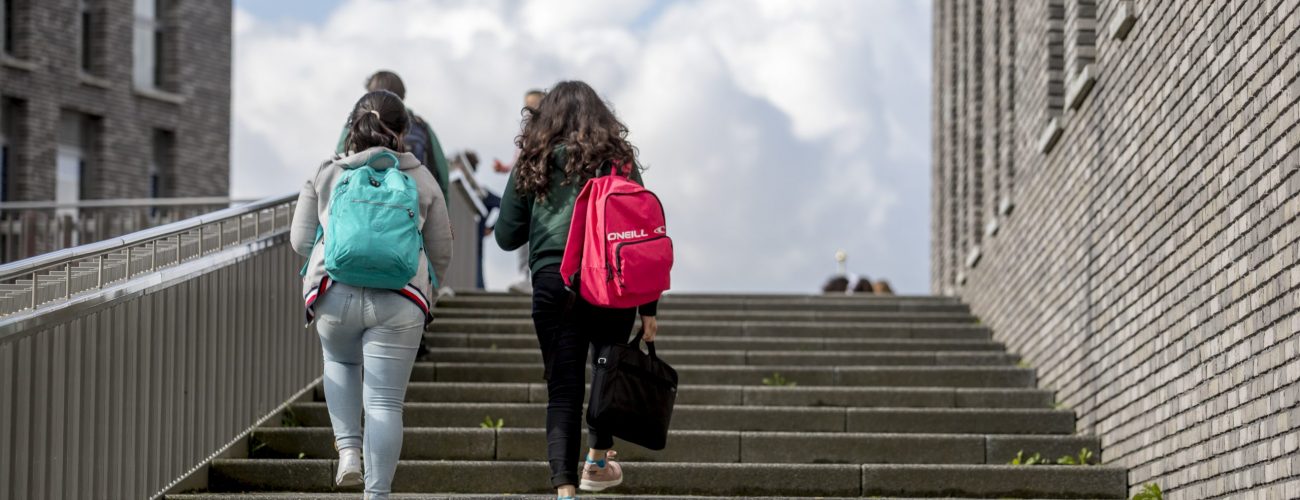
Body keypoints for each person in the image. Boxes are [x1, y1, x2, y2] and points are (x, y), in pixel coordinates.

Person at [494, 81, 659, 499]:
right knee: (607, 372)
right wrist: (649, 308)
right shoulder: (618, 160)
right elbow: (641, 234)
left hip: (554, 280)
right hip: (609, 280)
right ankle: (598, 461)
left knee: (563, 388)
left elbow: (506, 236)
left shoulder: (534, 158)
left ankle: (564, 488)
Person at [291, 90, 453, 500]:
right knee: (384, 403)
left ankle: (347, 452)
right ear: (404, 132)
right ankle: (376, 494)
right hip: (400, 301)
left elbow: (299, 241)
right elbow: (442, 251)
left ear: (351, 126)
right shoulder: (421, 178)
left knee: (340, 362)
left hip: (333, 292)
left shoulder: (328, 172)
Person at [337, 70, 451, 206]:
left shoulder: (354, 125)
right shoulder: (421, 127)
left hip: (358, 210)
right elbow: (442, 178)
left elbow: (339, 166)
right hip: (414, 212)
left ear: (370, 94)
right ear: (402, 96)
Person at [493, 89, 547, 293]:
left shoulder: (545, 131)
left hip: (538, 187)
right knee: (526, 234)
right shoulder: (526, 132)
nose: (529, 110)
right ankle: (527, 275)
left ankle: (532, 275)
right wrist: (505, 168)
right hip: (527, 185)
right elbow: (520, 161)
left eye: (534, 105)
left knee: (535, 232)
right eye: (527, 106)